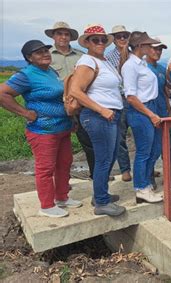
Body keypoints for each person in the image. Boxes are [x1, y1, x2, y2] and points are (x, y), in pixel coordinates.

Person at [0, 40, 81, 218]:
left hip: (63, 128)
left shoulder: (50, 71)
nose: (45, 54)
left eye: (46, 50)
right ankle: (46, 205)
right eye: (38, 52)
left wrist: (72, 118)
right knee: (46, 168)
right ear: (29, 58)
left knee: (64, 163)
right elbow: (2, 93)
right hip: (43, 131)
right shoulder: (26, 75)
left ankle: (62, 197)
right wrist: (25, 113)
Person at [70, 24, 125, 216]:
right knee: (103, 159)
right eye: (95, 40)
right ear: (87, 43)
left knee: (109, 157)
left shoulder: (102, 61)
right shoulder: (87, 61)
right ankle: (101, 202)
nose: (100, 43)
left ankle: (100, 194)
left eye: (103, 39)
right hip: (98, 116)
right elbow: (75, 90)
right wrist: (101, 109)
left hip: (111, 114)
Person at [45, 22, 98, 181]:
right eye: (59, 33)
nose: (63, 37)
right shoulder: (47, 55)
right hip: (56, 105)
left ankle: (96, 175)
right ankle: (60, 180)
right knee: (56, 144)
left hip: (79, 105)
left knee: (88, 141)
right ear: (53, 36)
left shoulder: (80, 56)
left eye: (66, 34)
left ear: (70, 37)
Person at [121, 31, 164, 203]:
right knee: (144, 151)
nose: (151, 47)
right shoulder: (130, 66)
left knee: (154, 149)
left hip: (150, 107)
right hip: (141, 110)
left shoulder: (142, 64)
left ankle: (145, 184)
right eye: (148, 44)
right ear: (140, 46)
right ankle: (141, 187)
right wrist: (150, 114)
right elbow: (130, 96)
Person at [145, 36, 171, 189]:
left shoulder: (160, 68)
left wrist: (168, 109)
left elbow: (166, 90)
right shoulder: (142, 67)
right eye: (155, 48)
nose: (157, 51)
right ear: (147, 49)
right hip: (148, 113)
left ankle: (168, 177)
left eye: (160, 49)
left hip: (162, 111)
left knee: (168, 147)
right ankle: (149, 177)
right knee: (150, 147)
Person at [106, 25, 132, 182]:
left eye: (124, 36)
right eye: (118, 36)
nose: (122, 39)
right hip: (121, 98)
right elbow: (116, 78)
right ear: (114, 40)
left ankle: (146, 168)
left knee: (141, 134)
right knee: (120, 136)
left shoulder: (136, 55)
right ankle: (125, 169)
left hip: (136, 99)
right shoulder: (109, 57)